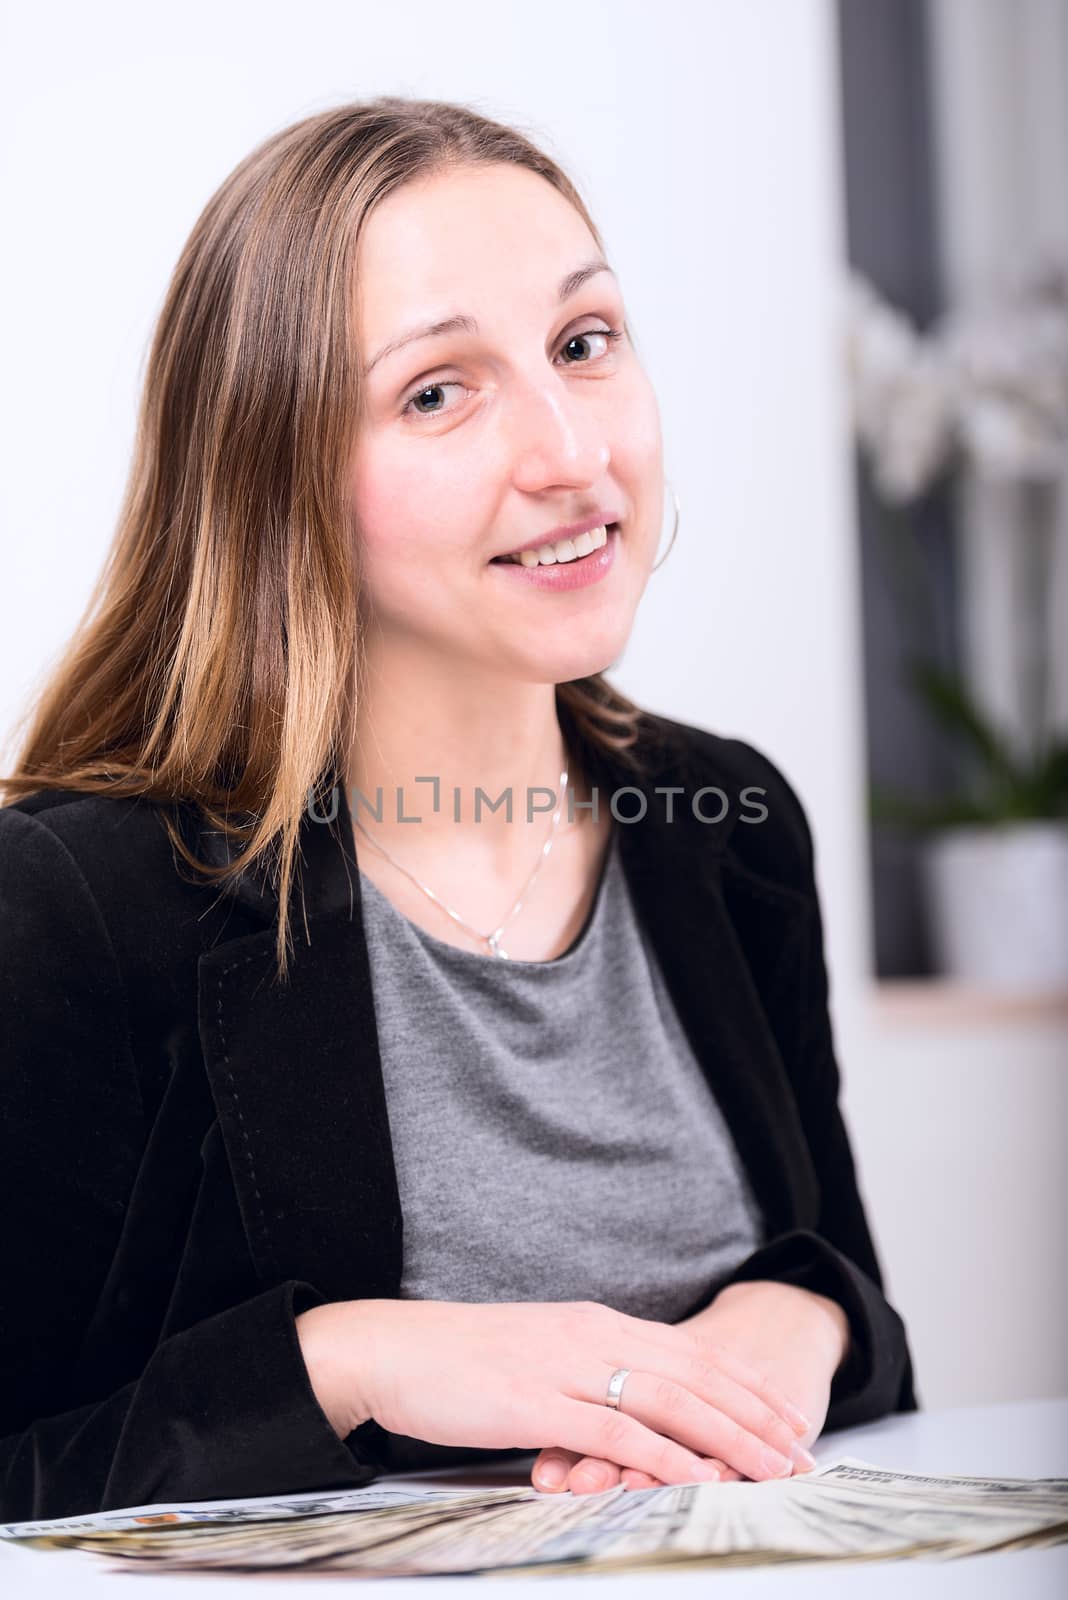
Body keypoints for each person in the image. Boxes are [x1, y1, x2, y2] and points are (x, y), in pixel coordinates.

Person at [0, 96, 917, 1525]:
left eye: (583, 343)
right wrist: (351, 1362)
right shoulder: (78, 903)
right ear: (271, 476)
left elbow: (847, 1310)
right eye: (438, 390)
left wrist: (802, 1317)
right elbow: (21, 1458)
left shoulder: (727, 825)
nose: (568, 452)